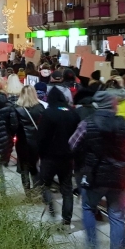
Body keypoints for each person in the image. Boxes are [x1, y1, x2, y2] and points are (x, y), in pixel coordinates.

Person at [69, 91, 125, 249]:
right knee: (117, 216)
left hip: (94, 175)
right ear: (114, 105)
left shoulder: (87, 124)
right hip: (119, 176)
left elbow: (72, 144)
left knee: (88, 208)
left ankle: (92, 248)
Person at [38, 87, 80, 227]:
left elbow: (42, 136)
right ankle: (66, 220)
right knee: (67, 189)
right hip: (67, 157)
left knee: (45, 185)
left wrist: (40, 153)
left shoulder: (48, 113)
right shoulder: (73, 113)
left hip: (49, 156)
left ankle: (50, 209)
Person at [14, 86, 45, 200]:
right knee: (35, 167)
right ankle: (38, 191)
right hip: (37, 142)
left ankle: (28, 194)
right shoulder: (40, 107)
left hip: (22, 142)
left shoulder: (17, 108)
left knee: (24, 169)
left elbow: (14, 126)